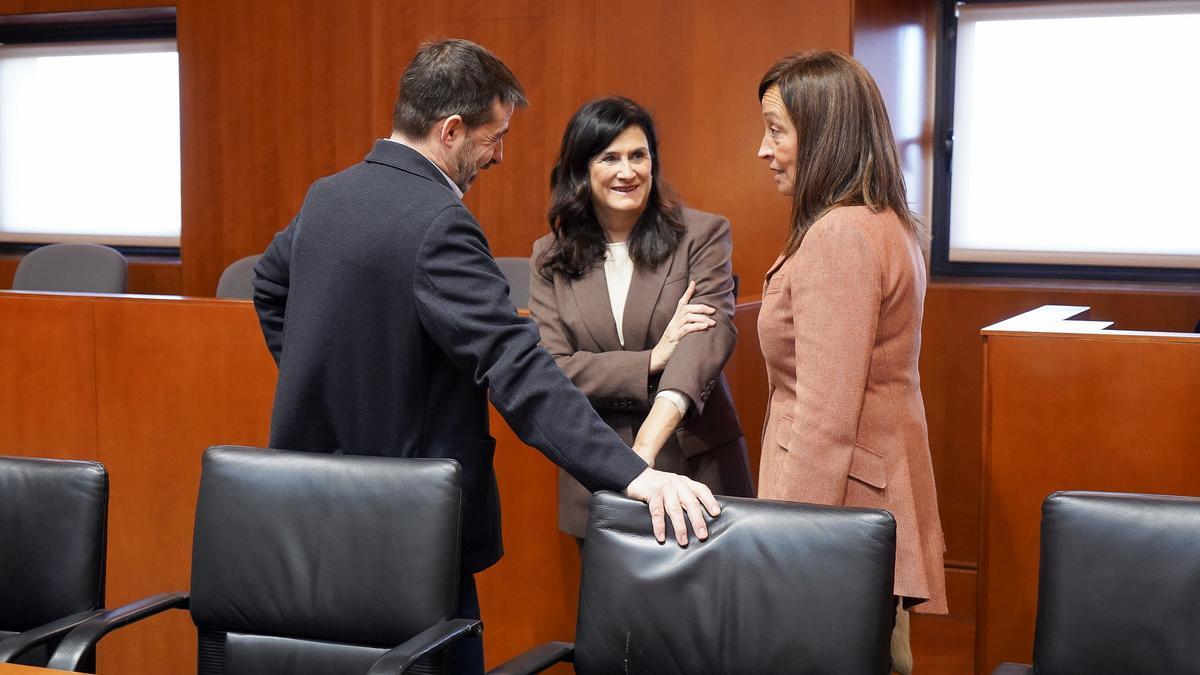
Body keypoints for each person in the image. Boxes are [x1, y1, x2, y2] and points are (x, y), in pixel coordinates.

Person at [251, 39, 719, 674]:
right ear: (450, 130)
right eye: (493, 137)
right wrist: (633, 474)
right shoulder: (439, 221)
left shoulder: (326, 197)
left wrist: (327, 387)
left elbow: (271, 287)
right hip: (414, 527)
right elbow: (516, 365)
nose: (499, 154)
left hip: (312, 517)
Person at [753, 50, 948, 673]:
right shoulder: (889, 222)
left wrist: (789, 544)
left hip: (832, 509)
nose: (763, 149)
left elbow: (825, 418)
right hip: (874, 494)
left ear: (825, 133)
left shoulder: (840, 234)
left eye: (776, 130)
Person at [529, 97, 755, 543]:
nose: (627, 171)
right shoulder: (548, 257)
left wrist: (644, 448)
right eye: (609, 157)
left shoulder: (702, 236)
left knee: (709, 611)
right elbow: (551, 368)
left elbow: (705, 341)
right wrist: (651, 359)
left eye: (638, 155)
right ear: (581, 169)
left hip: (694, 465)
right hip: (597, 466)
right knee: (615, 612)